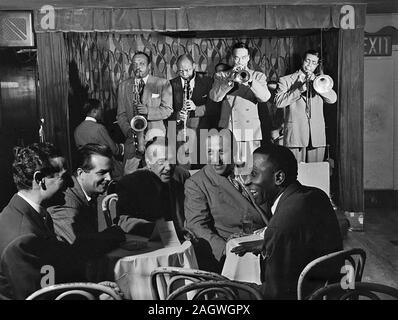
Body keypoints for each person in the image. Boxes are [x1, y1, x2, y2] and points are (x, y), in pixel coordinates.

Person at [232, 144, 343, 299]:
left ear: (279, 178)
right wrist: (267, 245)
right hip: (332, 291)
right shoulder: (316, 195)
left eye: (254, 174)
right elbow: (306, 243)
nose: (247, 181)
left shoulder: (279, 226)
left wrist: (231, 287)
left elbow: (275, 295)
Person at [0, 143, 85, 299]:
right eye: (64, 177)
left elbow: (50, 273)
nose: (72, 184)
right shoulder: (22, 238)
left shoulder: (30, 213)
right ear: (39, 179)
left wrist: (91, 287)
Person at [184, 129, 267, 272]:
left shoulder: (251, 170)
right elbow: (196, 225)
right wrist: (226, 250)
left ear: (235, 151)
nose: (216, 159)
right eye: (210, 152)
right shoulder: (197, 183)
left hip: (269, 240)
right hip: (238, 254)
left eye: (222, 152)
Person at [47, 144, 126, 256]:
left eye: (110, 172)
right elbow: (82, 246)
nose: (109, 178)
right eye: (102, 173)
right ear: (80, 173)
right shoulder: (65, 200)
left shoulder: (89, 193)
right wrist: (114, 234)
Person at [209, 42, 271, 174]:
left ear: (248, 58)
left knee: (247, 170)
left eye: (243, 58)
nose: (240, 61)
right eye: (237, 58)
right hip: (228, 129)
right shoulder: (222, 76)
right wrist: (229, 82)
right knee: (229, 171)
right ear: (232, 58)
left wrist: (250, 82)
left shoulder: (258, 76)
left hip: (248, 130)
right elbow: (215, 97)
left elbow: (265, 97)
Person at [116, 137, 190, 239]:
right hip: (150, 241)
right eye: (161, 162)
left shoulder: (181, 175)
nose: (168, 167)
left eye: (172, 160)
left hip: (183, 238)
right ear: (148, 162)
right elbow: (123, 220)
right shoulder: (131, 182)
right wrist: (157, 230)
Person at [275, 50, 337, 163]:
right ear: (302, 61)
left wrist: (316, 82)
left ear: (317, 65)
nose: (309, 65)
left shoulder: (321, 81)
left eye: (314, 62)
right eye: (307, 61)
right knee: (295, 173)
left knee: (316, 173)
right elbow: (279, 102)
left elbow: (332, 99)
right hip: (295, 135)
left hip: (317, 136)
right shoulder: (286, 80)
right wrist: (298, 89)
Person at [117, 51, 173, 171]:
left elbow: (168, 110)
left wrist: (148, 111)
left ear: (149, 66)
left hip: (156, 139)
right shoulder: (123, 86)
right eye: (135, 64)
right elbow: (121, 115)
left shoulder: (162, 83)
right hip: (133, 141)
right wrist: (128, 131)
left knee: (157, 176)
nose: (138, 67)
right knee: (129, 177)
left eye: (142, 63)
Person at [169, 54, 220, 168]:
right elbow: (166, 110)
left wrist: (196, 108)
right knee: (181, 170)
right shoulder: (171, 84)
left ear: (194, 66)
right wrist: (177, 115)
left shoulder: (208, 82)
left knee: (201, 167)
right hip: (179, 134)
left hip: (201, 132)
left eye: (187, 70)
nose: (185, 74)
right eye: (181, 71)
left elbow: (214, 108)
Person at [74, 99, 124, 179]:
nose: (102, 112)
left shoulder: (77, 129)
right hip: (104, 168)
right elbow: (114, 149)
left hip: (87, 168)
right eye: (101, 109)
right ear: (94, 111)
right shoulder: (99, 128)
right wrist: (122, 147)